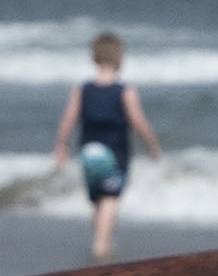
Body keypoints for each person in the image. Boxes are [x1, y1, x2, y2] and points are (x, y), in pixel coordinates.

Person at [51, 30, 164, 262]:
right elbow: (138, 121)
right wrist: (152, 145)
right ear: (119, 57)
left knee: (98, 199)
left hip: (88, 151)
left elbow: (68, 119)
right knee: (110, 198)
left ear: (95, 56)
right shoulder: (125, 91)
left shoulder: (82, 90)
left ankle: (102, 239)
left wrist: (61, 145)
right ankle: (101, 244)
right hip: (115, 152)